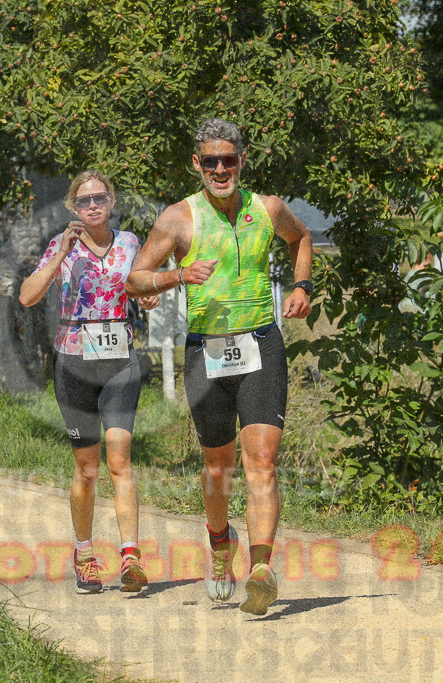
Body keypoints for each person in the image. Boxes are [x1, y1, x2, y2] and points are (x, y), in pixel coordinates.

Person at [126, 119, 313, 615]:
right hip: (206, 351)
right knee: (218, 467)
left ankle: (262, 570)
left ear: (241, 160)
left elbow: (302, 240)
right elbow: (135, 280)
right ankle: (218, 545)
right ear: (197, 164)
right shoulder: (178, 219)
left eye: (228, 158)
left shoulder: (267, 209)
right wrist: (177, 276)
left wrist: (302, 288)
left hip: (260, 345)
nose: (220, 168)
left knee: (262, 460)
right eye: (210, 160)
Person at [19, 170, 160, 594]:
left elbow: (139, 287)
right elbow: (27, 296)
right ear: (73, 208)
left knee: (120, 461)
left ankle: (131, 558)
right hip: (75, 365)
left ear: (112, 200)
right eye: (84, 201)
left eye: (100, 198)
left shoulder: (131, 243)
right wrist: (61, 254)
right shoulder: (62, 247)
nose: (93, 206)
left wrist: (148, 294)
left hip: (119, 361)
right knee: (87, 468)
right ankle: (84, 554)